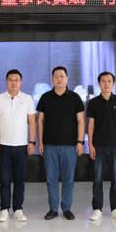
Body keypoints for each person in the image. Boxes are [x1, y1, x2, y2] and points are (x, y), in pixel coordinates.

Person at [37, 66, 85, 220]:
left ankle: (66, 208)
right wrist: (40, 142)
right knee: (51, 179)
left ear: (67, 78)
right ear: (52, 79)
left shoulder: (75, 98)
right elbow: (40, 121)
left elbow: (81, 121)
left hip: (70, 146)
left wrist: (80, 142)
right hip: (49, 145)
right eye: (56, 76)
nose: (59, 79)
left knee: (68, 179)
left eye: (62, 76)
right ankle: (53, 209)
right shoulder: (45, 98)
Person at [0, 69, 36, 222]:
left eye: (16, 80)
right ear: (6, 81)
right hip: (3, 146)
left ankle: (18, 209)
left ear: (21, 82)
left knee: (19, 179)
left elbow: (32, 122)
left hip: (22, 146)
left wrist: (32, 142)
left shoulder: (27, 99)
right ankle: (4, 209)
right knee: (4, 179)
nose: (14, 83)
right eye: (11, 80)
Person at [87, 71, 116, 221]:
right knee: (97, 179)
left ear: (113, 83)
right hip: (98, 146)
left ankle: (115, 209)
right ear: (99, 84)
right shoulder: (93, 102)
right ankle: (97, 208)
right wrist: (90, 144)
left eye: (109, 81)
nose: (106, 84)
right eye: (103, 81)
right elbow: (91, 124)